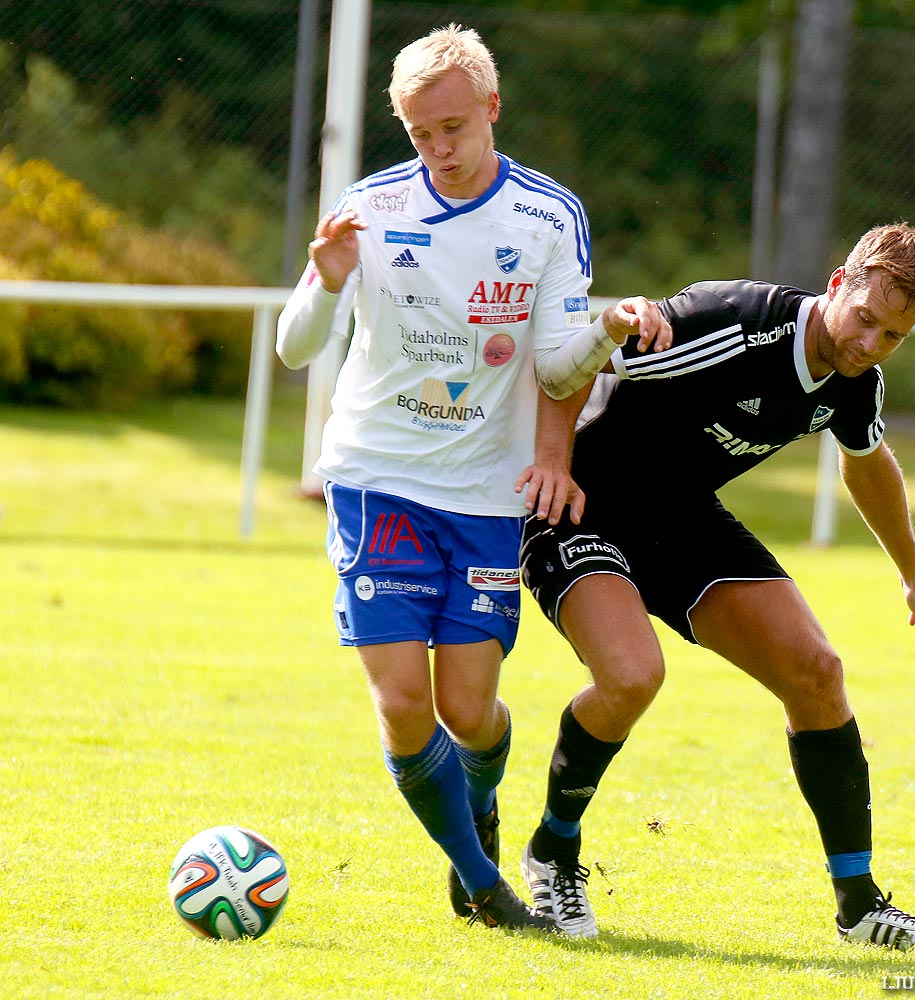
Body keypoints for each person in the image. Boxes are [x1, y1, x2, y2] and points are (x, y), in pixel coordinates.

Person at [276, 23, 668, 931]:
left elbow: (559, 369)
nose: (439, 150)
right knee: (405, 702)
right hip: (377, 479)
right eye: (420, 134)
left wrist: (608, 331)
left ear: (492, 108)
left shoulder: (546, 217)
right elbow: (299, 349)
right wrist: (326, 279)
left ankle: (479, 798)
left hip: (487, 498)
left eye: (453, 127)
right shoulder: (369, 206)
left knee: (470, 710)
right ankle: (483, 880)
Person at [518, 222, 915, 951]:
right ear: (835, 286)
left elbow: (867, 462)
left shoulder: (856, 384)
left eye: (892, 336)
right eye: (864, 320)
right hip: (579, 504)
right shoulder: (732, 323)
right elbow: (573, 366)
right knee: (632, 677)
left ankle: (860, 908)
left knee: (816, 672)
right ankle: (553, 851)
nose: (870, 345)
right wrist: (552, 462)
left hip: (679, 519)